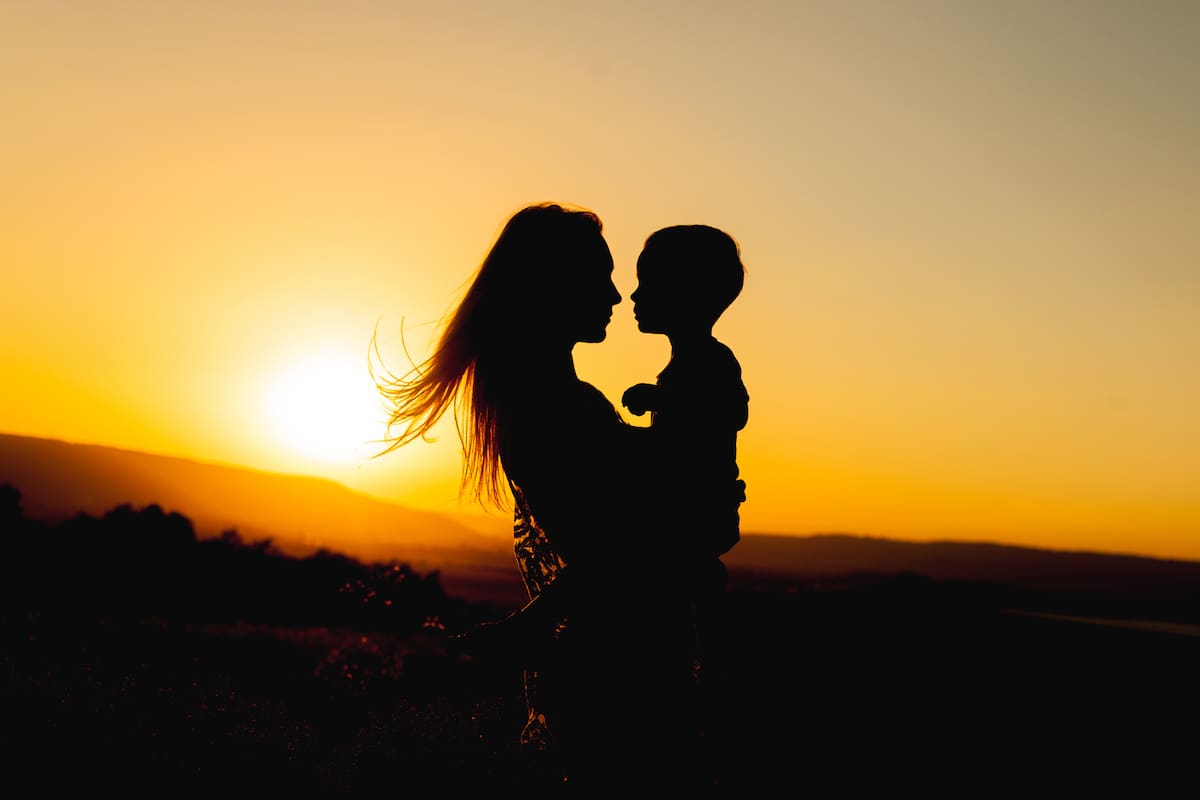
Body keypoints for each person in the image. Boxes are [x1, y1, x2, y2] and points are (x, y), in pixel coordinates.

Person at [371, 203, 722, 789]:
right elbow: (614, 550)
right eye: (601, 277)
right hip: (622, 678)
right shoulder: (556, 409)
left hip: (615, 667)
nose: (615, 297)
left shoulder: (552, 401)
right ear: (552, 287)